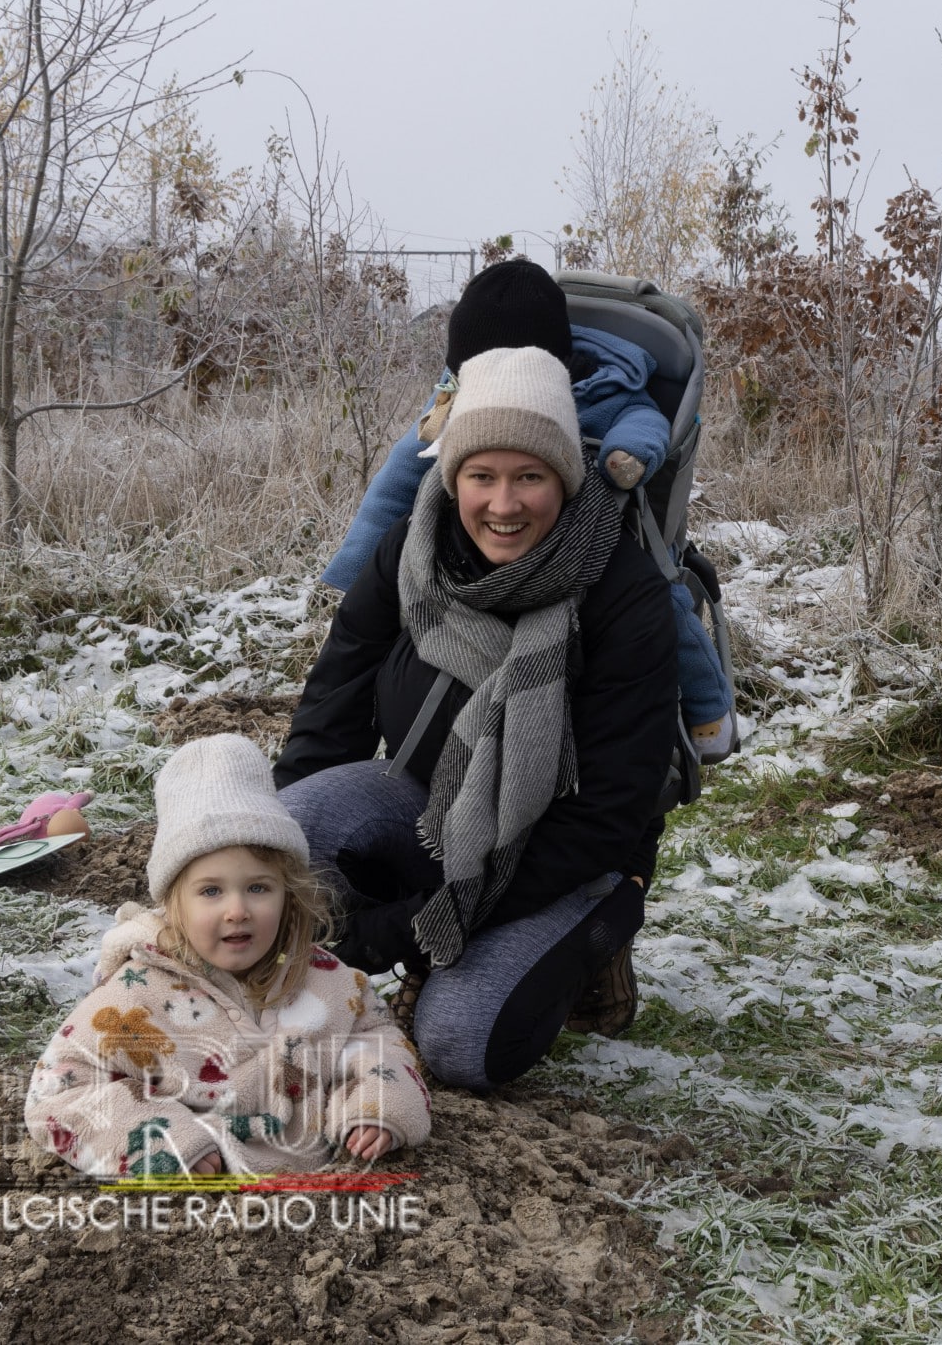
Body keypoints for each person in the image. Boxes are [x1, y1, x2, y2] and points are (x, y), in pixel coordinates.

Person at [273, 342, 677, 1092]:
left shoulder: (622, 591)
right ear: (451, 475)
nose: (503, 504)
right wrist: (260, 866)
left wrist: (415, 926)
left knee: (460, 1048)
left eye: (530, 476)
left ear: (566, 474)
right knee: (287, 832)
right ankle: (325, 978)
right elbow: (335, 702)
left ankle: (592, 943)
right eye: (481, 476)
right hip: (427, 806)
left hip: (565, 860)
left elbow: (608, 813)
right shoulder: (413, 550)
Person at [322, 260, 733, 761]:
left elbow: (641, 418)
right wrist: (361, 565)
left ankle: (708, 711)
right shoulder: (453, 400)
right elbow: (402, 474)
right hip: (481, 543)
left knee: (665, 601)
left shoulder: (604, 384)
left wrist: (626, 457)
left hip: (603, 526)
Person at [24, 735, 431, 1175]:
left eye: (258, 887)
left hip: (328, 1198)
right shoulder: (132, 999)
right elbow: (59, 1091)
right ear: (173, 904)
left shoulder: (327, 981)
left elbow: (377, 1040)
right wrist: (164, 1143)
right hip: (195, 1210)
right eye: (211, 891)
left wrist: (376, 1106)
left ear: (289, 894)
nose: (237, 911)